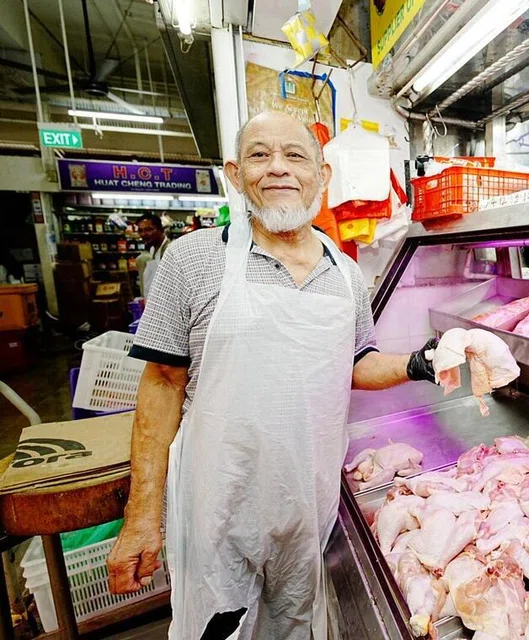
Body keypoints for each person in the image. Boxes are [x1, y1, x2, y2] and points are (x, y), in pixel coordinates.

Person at [106, 111, 439, 640]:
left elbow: (356, 364)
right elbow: (162, 384)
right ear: (235, 174)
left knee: (295, 629)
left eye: (295, 155)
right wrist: (143, 516)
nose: (278, 168)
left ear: (321, 175)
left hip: (308, 504)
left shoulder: (346, 274)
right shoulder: (192, 260)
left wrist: (420, 362)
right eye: (260, 155)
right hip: (218, 508)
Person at [134, 214, 170, 298]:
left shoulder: (169, 250)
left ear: (161, 230)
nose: (144, 234)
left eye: (149, 229)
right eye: (140, 230)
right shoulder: (153, 249)